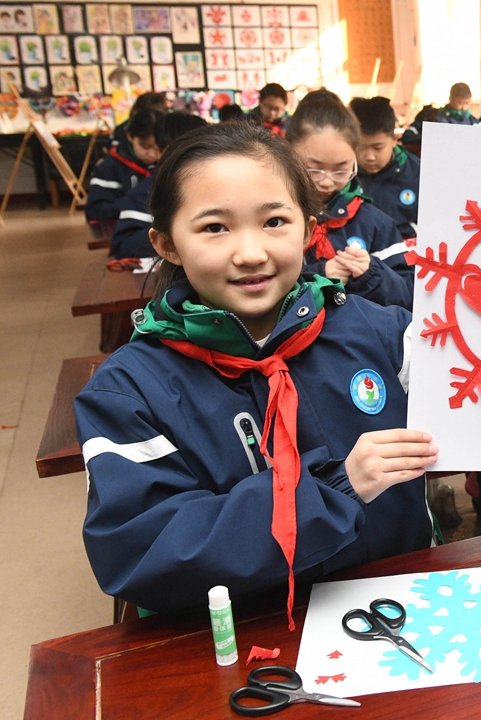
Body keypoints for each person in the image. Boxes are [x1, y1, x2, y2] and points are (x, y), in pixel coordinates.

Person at [76, 122, 438, 618]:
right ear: (166, 244)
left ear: (310, 231)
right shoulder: (129, 392)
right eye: (214, 228)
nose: (251, 253)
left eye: (274, 222)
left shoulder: (382, 334)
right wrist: (334, 490)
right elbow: (139, 552)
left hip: (401, 610)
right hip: (237, 647)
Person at [287, 90, 414, 308]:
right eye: (314, 169)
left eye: (341, 170)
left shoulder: (374, 223)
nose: (327, 182)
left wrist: (371, 272)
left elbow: (408, 295)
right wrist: (317, 274)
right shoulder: (272, 218)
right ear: (288, 152)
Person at [110, 112, 209, 259]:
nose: (192, 162)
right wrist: (178, 235)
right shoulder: (147, 192)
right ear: (160, 152)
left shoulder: (221, 187)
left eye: (202, 153)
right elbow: (123, 245)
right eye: (182, 154)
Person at [349, 96, 420, 239]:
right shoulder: (343, 176)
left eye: (378, 147)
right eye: (360, 147)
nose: (369, 156)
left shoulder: (418, 174)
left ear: (394, 140)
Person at [86, 107, 164, 222]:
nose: (152, 154)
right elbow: (95, 212)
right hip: (127, 229)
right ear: (130, 136)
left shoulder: (167, 162)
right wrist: (134, 202)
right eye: (145, 146)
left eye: (159, 148)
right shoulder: (110, 167)